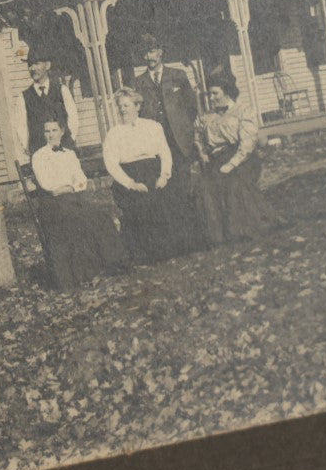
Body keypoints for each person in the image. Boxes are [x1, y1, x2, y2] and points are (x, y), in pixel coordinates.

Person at [30, 118, 124, 288]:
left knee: (100, 216)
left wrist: (71, 187)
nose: (51, 135)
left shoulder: (70, 154)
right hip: (52, 203)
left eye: (54, 130)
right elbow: (47, 184)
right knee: (74, 219)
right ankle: (82, 273)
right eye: (47, 131)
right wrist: (64, 188)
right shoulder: (39, 156)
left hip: (72, 197)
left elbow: (81, 179)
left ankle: (113, 263)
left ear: (62, 131)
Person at [132, 34, 205, 254]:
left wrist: (185, 131)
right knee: (165, 190)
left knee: (184, 186)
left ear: (160, 52)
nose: (149, 57)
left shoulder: (178, 76)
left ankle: (195, 238)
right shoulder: (138, 82)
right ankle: (174, 242)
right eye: (145, 53)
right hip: (156, 145)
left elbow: (191, 107)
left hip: (179, 142)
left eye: (153, 51)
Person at [101, 87, 176, 265]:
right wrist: (130, 183)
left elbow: (165, 153)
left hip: (153, 171)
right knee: (138, 204)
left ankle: (165, 249)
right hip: (129, 175)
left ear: (137, 106)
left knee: (161, 200)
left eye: (126, 105)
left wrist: (164, 175)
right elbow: (111, 164)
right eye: (120, 106)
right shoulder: (114, 133)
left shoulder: (153, 126)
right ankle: (143, 254)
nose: (123, 109)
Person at [196, 71, 272, 243]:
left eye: (215, 93)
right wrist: (203, 154)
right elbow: (198, 138)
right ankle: (218, 237)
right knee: (205, 188)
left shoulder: (243, 110)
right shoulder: (206, 116)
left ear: (227, 91)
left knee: (234, 183)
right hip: (216, 159)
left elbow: (247, 143)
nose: (211, 98)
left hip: (242, 159)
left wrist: (231, 164)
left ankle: (242, 230)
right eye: (209, 94)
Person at [13, 49, 79, 162]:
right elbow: (21, 129)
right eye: (30, 65)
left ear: (47, 65)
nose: (32, 68)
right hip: (40, 157)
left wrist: (67, 142)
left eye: (36, 63)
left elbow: (73, 120)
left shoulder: (62, 90)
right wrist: (32, 150)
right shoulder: (23, 98)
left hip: (64, 152)